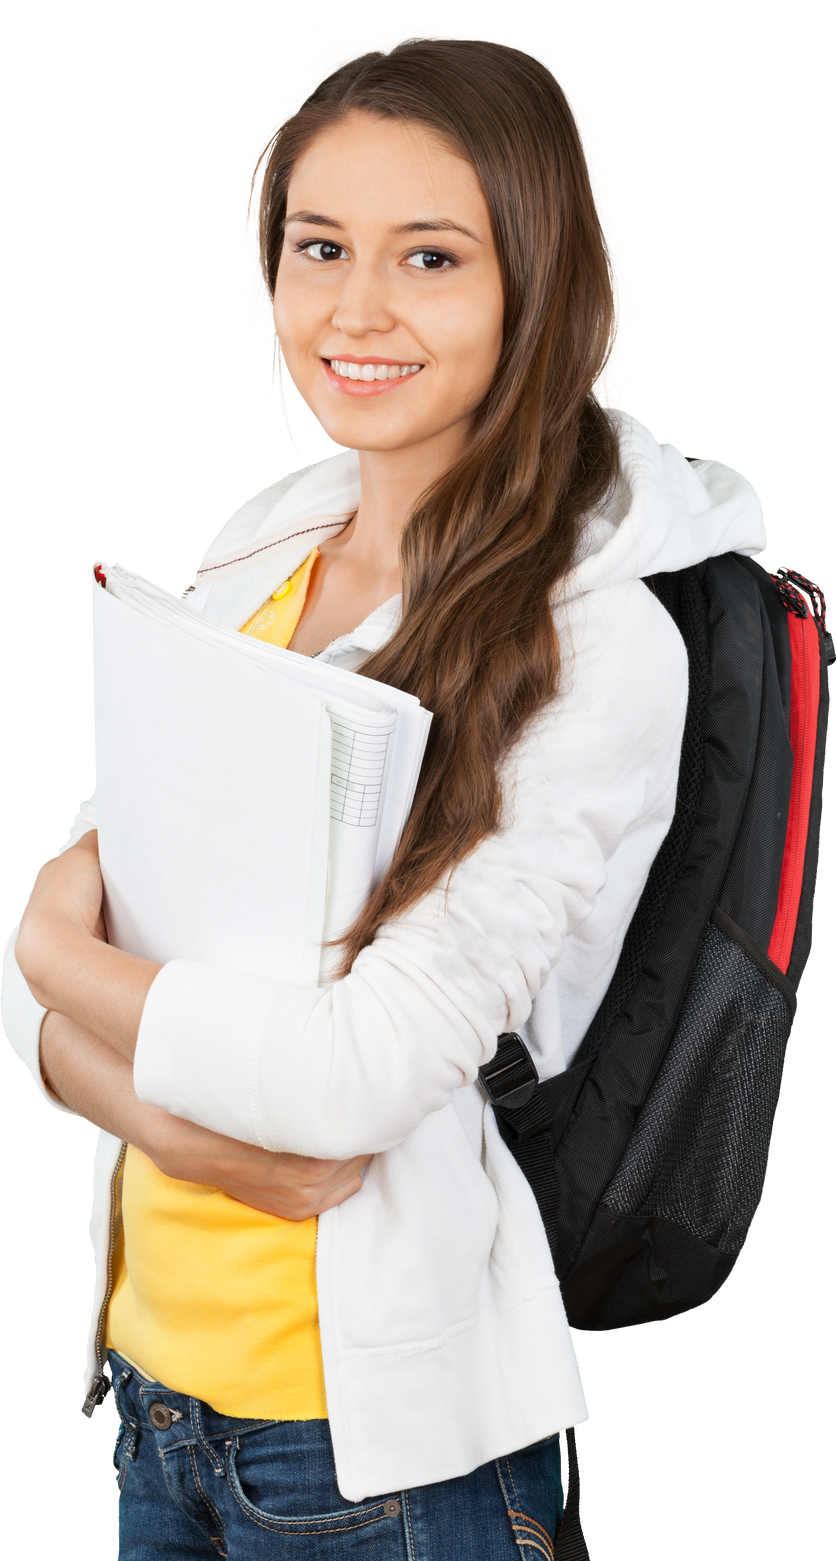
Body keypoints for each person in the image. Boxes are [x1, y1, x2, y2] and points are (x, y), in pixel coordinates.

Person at [0, 36, 768, 1561]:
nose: (357, 310)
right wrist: (178, 1106)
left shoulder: (596, 635)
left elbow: (347, 1087)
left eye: (430, 256)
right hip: (152, 1393)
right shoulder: (260, 550)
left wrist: (49, 957)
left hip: (376, 1466)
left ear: (530, 282)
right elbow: (38, 997)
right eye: (320, 248)